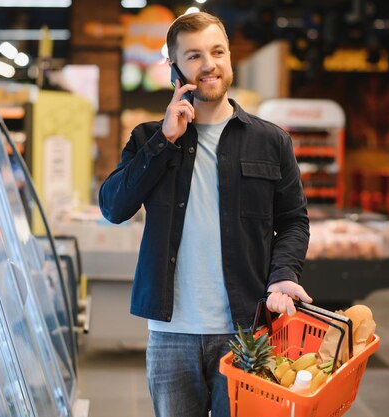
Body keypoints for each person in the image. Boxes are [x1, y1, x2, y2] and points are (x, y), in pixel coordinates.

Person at [99, 11, 311, 417]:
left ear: (230, 57)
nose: (209, 64)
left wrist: (284, 274)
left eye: (217, 52)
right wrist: (165, 140)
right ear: (175, 69)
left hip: (246, 330)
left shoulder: (272, 141)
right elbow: (113, 207)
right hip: (170, 335)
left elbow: (293, 221)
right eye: (194, 55)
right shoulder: (149, 137)